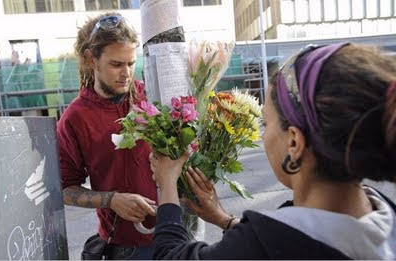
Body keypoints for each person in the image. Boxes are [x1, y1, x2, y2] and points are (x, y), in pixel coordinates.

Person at [149, 42, 396, 259]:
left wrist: (167, 183)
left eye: (266, 123)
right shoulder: (382, 210)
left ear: (294, 143)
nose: (263, 135)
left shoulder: (264, 243)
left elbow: (170, 256)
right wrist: (224, 220)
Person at [57, 13, 157, 260]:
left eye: (131, 63)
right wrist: (111, 200)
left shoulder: (153, 95)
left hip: (176, 234)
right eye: (116, 64)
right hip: (127, 249)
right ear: (91, 59)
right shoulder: (75, 118)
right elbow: (64, 189)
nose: (126, 73)